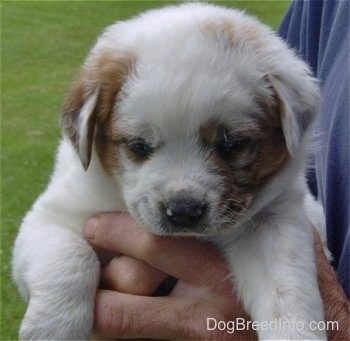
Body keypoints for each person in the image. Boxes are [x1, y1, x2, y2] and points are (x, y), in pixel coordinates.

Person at [84, 0, 349, 339]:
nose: (183, 199)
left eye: (230, 146)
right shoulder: (322, 8)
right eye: (140, 147)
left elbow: (285, 202)